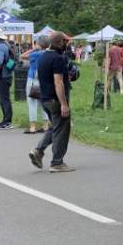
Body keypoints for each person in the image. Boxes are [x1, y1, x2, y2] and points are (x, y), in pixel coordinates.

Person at [28, 31, 75, 173]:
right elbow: (58, 82)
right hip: (56, 100)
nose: (66, 44)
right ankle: (57, 163)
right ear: (60, 42)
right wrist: (64, 104)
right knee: (61, 131)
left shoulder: (43, 57)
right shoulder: (58, 58)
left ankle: (38, 150)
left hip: (45, 98)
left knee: (55, 126)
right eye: (65, 42)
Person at [24, 35, 49, 134]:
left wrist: (33, 49)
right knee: (43, 103)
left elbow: (22, 56)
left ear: (39, 44)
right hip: (45, 80)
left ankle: (33, 127)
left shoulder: (35, 54)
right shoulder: (49, 54)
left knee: (32, 103)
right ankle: (45, 125)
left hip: (33, 80)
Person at [0, 30, 15, 129]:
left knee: (3, 98)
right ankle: (5, 120)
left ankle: (7, 122)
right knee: (4, 98)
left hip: (3, 75)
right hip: (7, 74)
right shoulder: (6, 45)